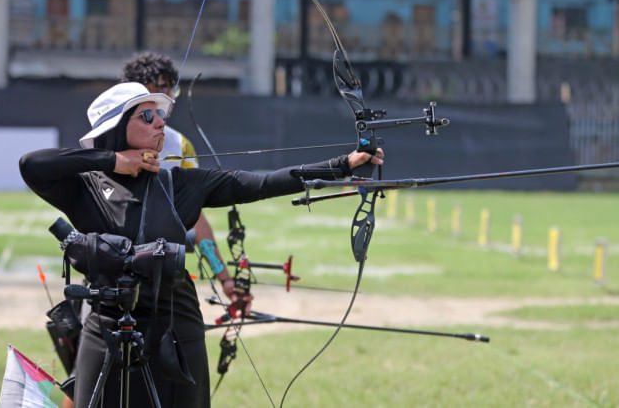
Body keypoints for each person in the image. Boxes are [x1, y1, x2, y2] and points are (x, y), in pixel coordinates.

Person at [19, 82, 383, 407]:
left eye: (159, 114)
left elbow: (260, 182)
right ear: (116, 128)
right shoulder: (84, 188)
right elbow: (31, 164)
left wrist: (342, 165)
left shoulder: (180, 184)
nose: (160, 122)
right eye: (147, 115)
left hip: (175, 328)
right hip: (107, 325)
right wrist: (112, 160)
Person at [121, 52, 240, 306]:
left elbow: (195, 220)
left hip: (162, 271)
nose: (171, 97)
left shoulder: (179, 145)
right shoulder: (109, 138)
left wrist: (225, 278)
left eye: (172, 88)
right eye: (162, 88)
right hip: (115, 272)